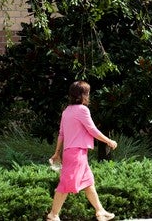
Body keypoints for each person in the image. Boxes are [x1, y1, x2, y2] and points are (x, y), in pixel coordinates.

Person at [48, 81, 119, 221]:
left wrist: (57, 153)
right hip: (76, 153)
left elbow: (61, 134)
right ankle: (53, 215)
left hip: (72, 152)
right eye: (87, 93)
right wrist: (109, 141)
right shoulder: (82, 110)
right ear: (83, 95)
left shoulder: (66, 111)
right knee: (65, 184)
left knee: (88, 182)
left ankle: (100, 211)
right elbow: (92, 130)